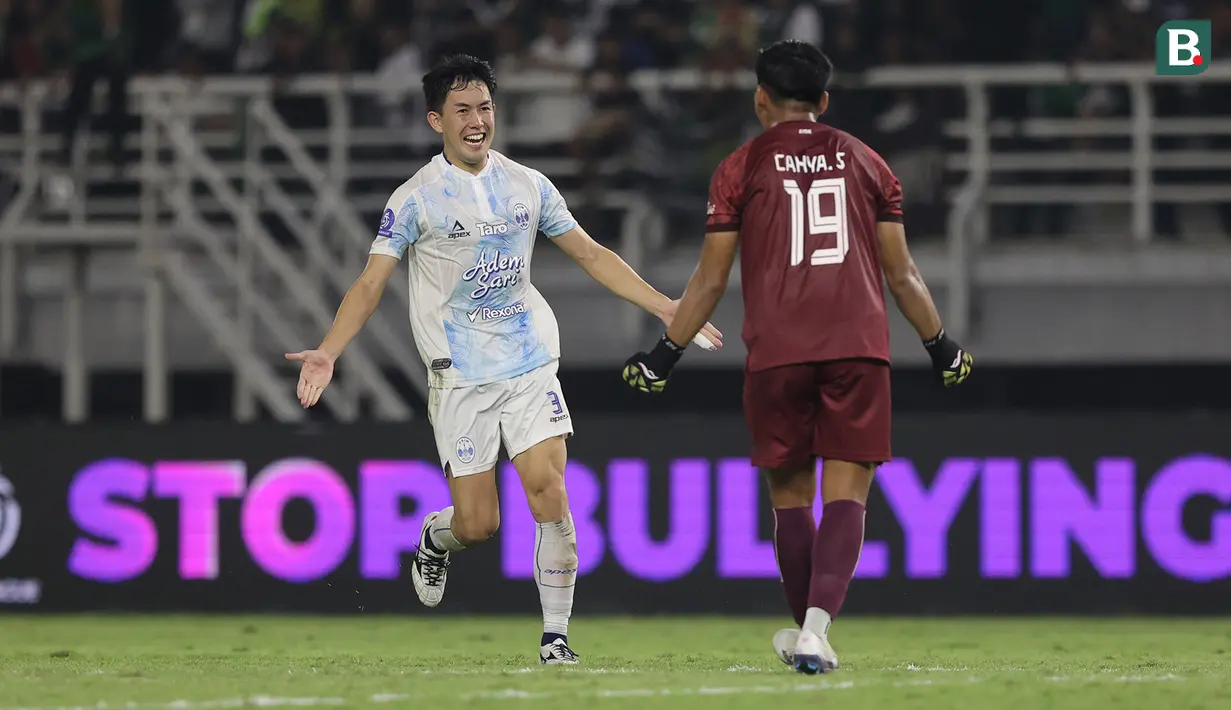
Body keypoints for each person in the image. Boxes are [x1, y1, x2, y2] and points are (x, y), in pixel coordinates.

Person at [285, 54, 722, 665]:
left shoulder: (528, 185)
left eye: (485, 107)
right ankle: (436, 540)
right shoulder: (415, 199)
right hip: (459, 374)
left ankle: (556, 637)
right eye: (462, 110)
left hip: (528, 360)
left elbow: (592, 254)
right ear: (437, 119)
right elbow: (369, 283)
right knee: (479, 525)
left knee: (549, 492)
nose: (476, 120)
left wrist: (663, 308)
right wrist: (329, 351)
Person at [620, 40, 972, 674]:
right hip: (858, 349)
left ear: (761, 99)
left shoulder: (739, 168)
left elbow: (709, 281)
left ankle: (806, 629)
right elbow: (904, 274)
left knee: (789, 499)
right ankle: (817, 629)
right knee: (848, 496)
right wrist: (940, 344)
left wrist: (664, 355)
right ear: (825, 102)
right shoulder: (868, 162)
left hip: (778, 355)